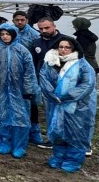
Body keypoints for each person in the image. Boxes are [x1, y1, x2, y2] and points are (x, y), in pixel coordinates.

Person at [0, 24, 39, 158]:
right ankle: (3, 142)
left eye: (7, 34)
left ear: (14, 34)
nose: (5, 37)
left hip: (19, 91)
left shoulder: (22, 50)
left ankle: (19, 145)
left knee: (20, 117)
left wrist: (28, 90)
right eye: (2, 34)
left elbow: (29, 72)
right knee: (0, 115)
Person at [39, 37, 97, 173]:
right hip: (56, 104)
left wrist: (67, 96)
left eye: (67, 47)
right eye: (61, 47)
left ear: (74, 49)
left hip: (78, 106)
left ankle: (73, 160)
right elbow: (44, 79)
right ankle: (58, 156)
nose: (63, 50)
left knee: (76, 133)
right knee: (58, 131)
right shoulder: (50, 62)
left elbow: (87, 84)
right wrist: (53, 95)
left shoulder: (82, 65)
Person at [29, 16, 73, 147]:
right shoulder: (36, 42)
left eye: (47, 28)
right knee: (50, 111)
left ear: (54, 26)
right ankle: (53, 138)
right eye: (41, 28)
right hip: (44, 83)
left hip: (64, 82)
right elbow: (33, 62)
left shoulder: (66, 41)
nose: (44, 30)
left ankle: (70, 139)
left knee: (66, 111)